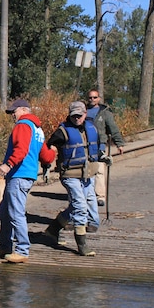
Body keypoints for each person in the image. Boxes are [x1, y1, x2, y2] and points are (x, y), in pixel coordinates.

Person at [0, 99, 55, 264]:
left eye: (14, 112)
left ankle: (22, 250)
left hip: (19, 174)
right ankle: (5, 246)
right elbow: (45, 155)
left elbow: (21, 149)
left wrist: (8, 165)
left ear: (23, 110)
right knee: (4, 210)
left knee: (16, 212)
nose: (12, 116)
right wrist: (53, 154)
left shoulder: (23, 125)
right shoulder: (37, 129)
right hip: (26, 175)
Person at [44, 101, 102, 257]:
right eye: (74, 116)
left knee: (77, 207)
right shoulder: (62, 132)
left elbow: (96, 146)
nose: (77, 119)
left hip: (88, 174)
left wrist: (103, 157)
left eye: (79, 115)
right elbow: (49, 148)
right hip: (70, 175)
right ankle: (82, 245)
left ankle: (52, 230)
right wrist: (47, 165)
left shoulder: (92, 128)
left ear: (85, 114)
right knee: (81, 207)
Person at [86, 89, 125, 207]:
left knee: (99, 170)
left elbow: (113, 128)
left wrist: (119, 144)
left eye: (95, 97)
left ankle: (100, 196)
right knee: (86, 169)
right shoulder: (83, 111)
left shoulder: (105, 112)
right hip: (85, 143)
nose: (92, 100)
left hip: (99, 144)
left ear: (99, 98)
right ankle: (87, 193)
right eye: (90, 98)